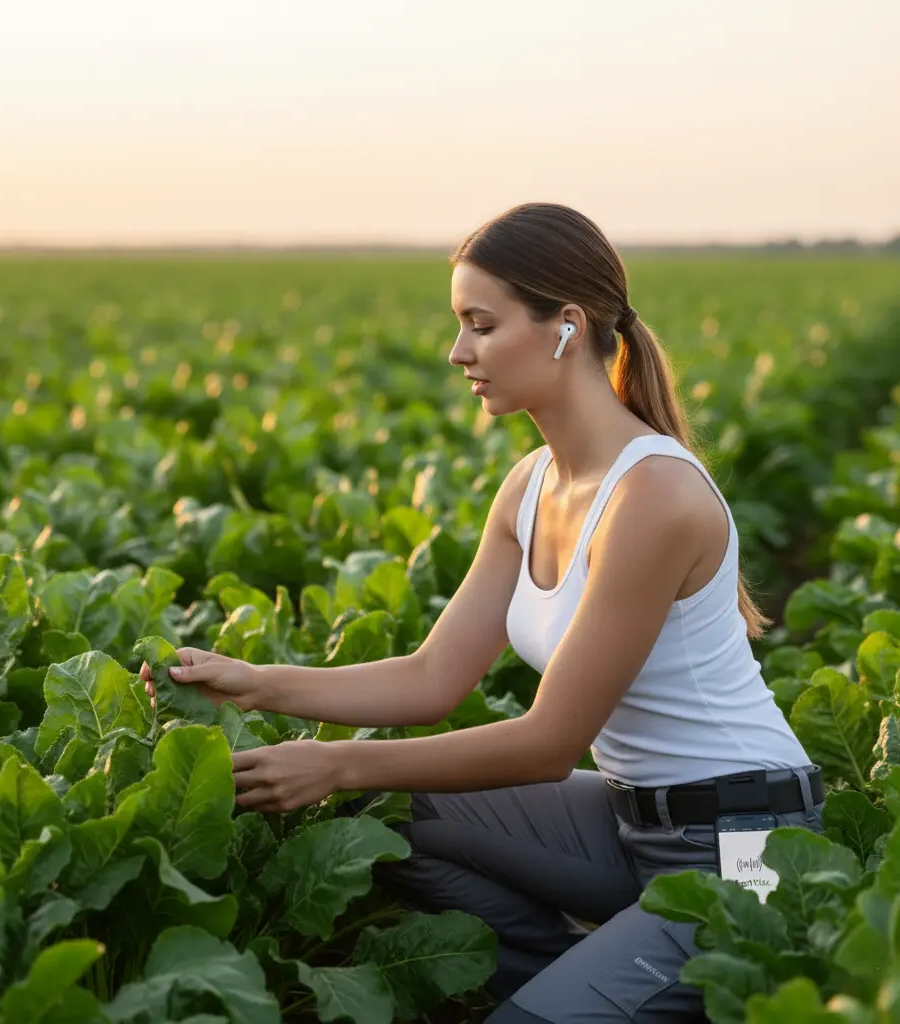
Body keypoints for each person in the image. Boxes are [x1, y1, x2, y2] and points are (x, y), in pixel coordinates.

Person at [139, 202, 824, 1023]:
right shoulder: (531, 485)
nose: (458, 351)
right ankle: (583, 980)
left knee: (359, 786)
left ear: (566, 327)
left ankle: (610, 986)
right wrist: (256, 683)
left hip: (748, 847)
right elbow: (433, 677)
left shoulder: (654, 496)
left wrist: (336, 763)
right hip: (624, 821)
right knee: (382, 814)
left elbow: (546, 745)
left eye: (481, 324)